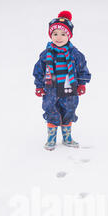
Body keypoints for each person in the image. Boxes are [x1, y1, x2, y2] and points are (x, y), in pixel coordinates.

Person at [33, 10, 91, 150]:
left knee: (69, 111)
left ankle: (67, 137)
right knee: (51, 110)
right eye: (55, 34)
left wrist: (82, 83)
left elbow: (82, 68)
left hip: (69, 89)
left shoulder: (75, 54)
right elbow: (39, 71)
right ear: (50, 35)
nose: (59, 38)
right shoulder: (46, 54)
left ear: (69, 35)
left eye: (63, 34)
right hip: (51, 90)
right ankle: (51, 138)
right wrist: (39, 86)